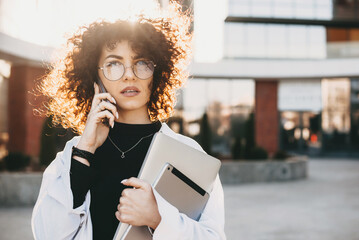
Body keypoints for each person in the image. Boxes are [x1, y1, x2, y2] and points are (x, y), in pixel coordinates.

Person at [31, 2, 225, 240]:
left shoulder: (188, 153)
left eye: (141, 63)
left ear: (158, 72)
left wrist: (158, 218)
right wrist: (86, 150)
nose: (129, 74)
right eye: (113, 64)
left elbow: (213, 236)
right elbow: (46, 235)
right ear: (95, 76)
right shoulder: (73, 155)